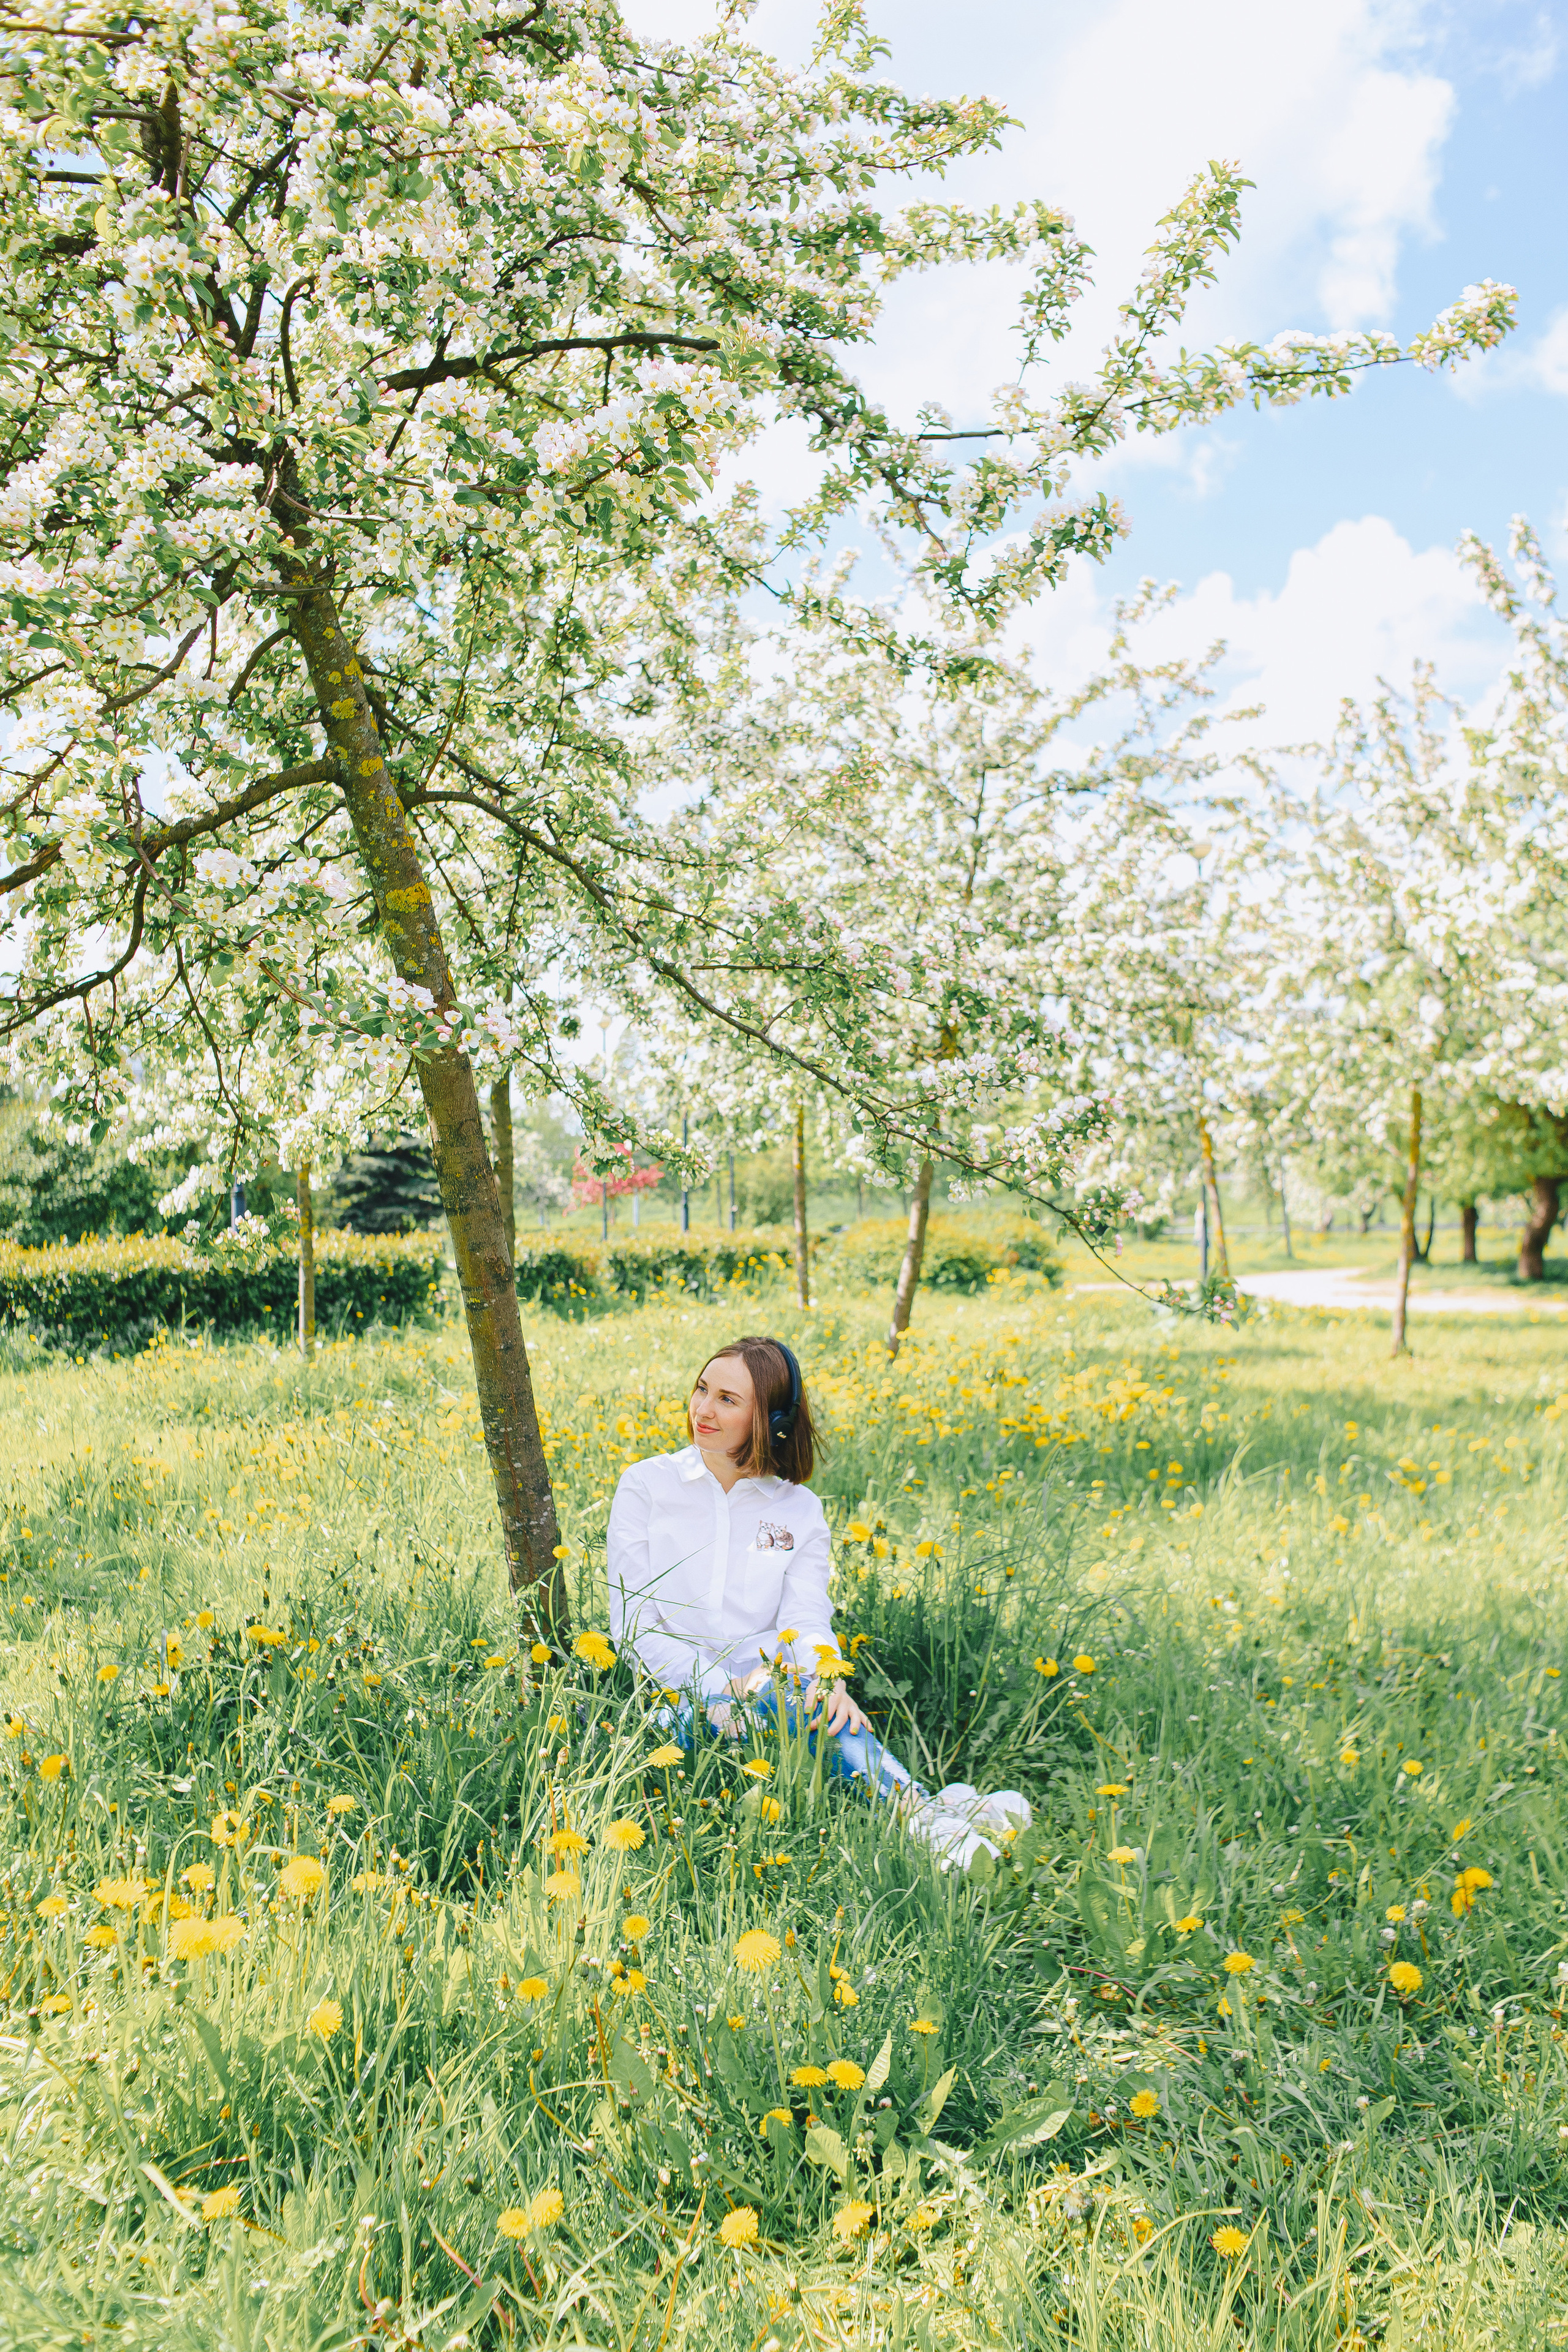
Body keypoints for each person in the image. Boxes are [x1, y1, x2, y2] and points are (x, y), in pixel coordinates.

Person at [606, 1332, 1030, 1869]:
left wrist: (829, 1682)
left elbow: (806, 1618)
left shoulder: (798, 1510)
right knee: (782, 1692)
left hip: (778, 1695)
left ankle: (930, 1813)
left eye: (727, 1400)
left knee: (801, 1694)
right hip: (676, 1709)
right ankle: (926, 1816)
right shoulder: (646, 1486)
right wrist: (727, 1689)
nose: (703, 1410)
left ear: (772, 1421)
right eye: (702, 1389)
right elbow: (633, 1628)